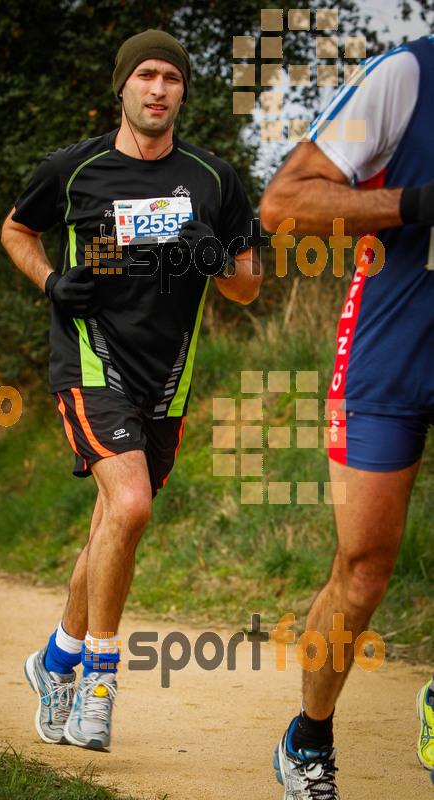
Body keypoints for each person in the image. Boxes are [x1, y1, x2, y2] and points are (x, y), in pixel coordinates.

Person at [1, 29, 262, 753]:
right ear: (121, 86)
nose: (157, 89)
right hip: (89, 364)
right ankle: (98, 679)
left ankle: (52, 660)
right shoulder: (74, 168)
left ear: (183, 91)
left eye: (170, 79)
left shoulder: (214, 179)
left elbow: (246, 286)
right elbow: (16, 230)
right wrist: (51, 280)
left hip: (167, 381)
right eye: (144, 75)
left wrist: (213, 257)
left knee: (112, 523)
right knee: (133, 503)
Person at [260, 34, 434, 799]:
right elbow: (285, 202)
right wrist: (415, 202)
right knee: (363, 568)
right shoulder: (406, 76)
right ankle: (309, 736)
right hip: (392, 348)